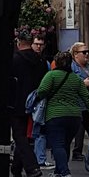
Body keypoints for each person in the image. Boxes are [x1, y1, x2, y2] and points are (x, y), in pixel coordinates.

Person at [35, 51, 89, 177]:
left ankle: (65, 174)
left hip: (55, 115)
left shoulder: (51, 75)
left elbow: (42, 91)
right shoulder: (76, 79)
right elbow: (86, 97)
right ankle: (57, 173)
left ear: (56, 63)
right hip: (75, 116)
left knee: (57, 145)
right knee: (65, 145)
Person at [10, 30, 45, 177]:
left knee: (19, 135)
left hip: (17, 102)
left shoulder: (15, 59)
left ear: (18, 42)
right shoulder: (40, 60)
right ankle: (16, 168)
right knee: (24, 134)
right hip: (35, 101)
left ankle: (32, 167)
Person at [31, 34, 53, 168]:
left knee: (40, 129)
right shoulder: (32, 61)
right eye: (36, 44)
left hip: (40, 100)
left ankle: (39, 158)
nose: (38, 47)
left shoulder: (45, 63)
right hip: (32, 99)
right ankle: (39, 158)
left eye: (41, 45)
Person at [68, 42, 89, 160]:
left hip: (88, 102)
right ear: (75, 54)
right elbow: (70, 83)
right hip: (76, 102)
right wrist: (83, 83)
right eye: (84, 52)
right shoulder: (72, 67)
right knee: (79, 128)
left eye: (88, 52)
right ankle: (77, 152)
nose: (87, 54)